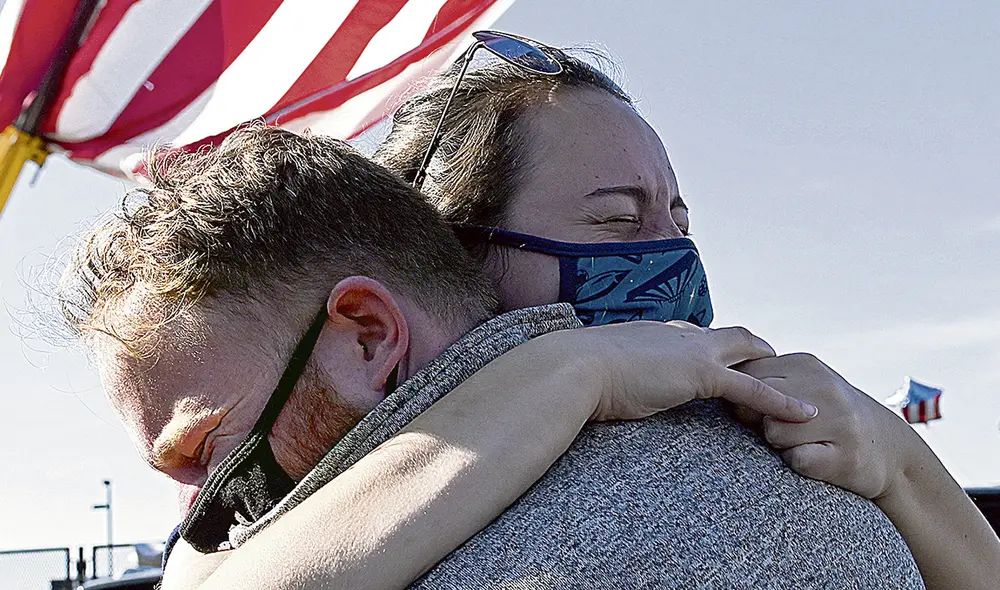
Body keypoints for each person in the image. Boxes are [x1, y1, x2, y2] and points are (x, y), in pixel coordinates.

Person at [62, 123, 925, 590]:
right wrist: (570, 370)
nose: (199, 508)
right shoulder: (783, 479)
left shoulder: (598, 537)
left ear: (370, 333)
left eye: (205, 448)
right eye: (619, 216)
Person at [372, 32, 1000, 589]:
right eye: (617, 219)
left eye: (680, 219)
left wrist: (898, 460)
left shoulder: (760, 424)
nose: (672, 253)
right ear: (457, 252)